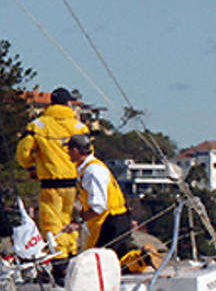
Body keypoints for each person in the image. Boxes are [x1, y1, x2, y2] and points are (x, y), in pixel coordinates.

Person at [15, 87, 90, 257]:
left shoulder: (38, 125)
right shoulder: (79, 127)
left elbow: (23, 153)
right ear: (69, 103)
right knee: (67, 220)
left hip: (51, 184)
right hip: (72, 185)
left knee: (51, 223)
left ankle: (59, 258)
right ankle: (71, 252)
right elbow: (88, 153)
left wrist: (30, 167)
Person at [64, 133, 134, 257]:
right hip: (111, 219)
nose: (67, 153)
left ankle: (141, 260)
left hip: (110, 222)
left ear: (75, 150)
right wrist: (76, 220)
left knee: (97, 259)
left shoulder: (92, 171)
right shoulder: (91, 166)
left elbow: (98, 207)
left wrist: (78, 222)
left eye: (69, 150)